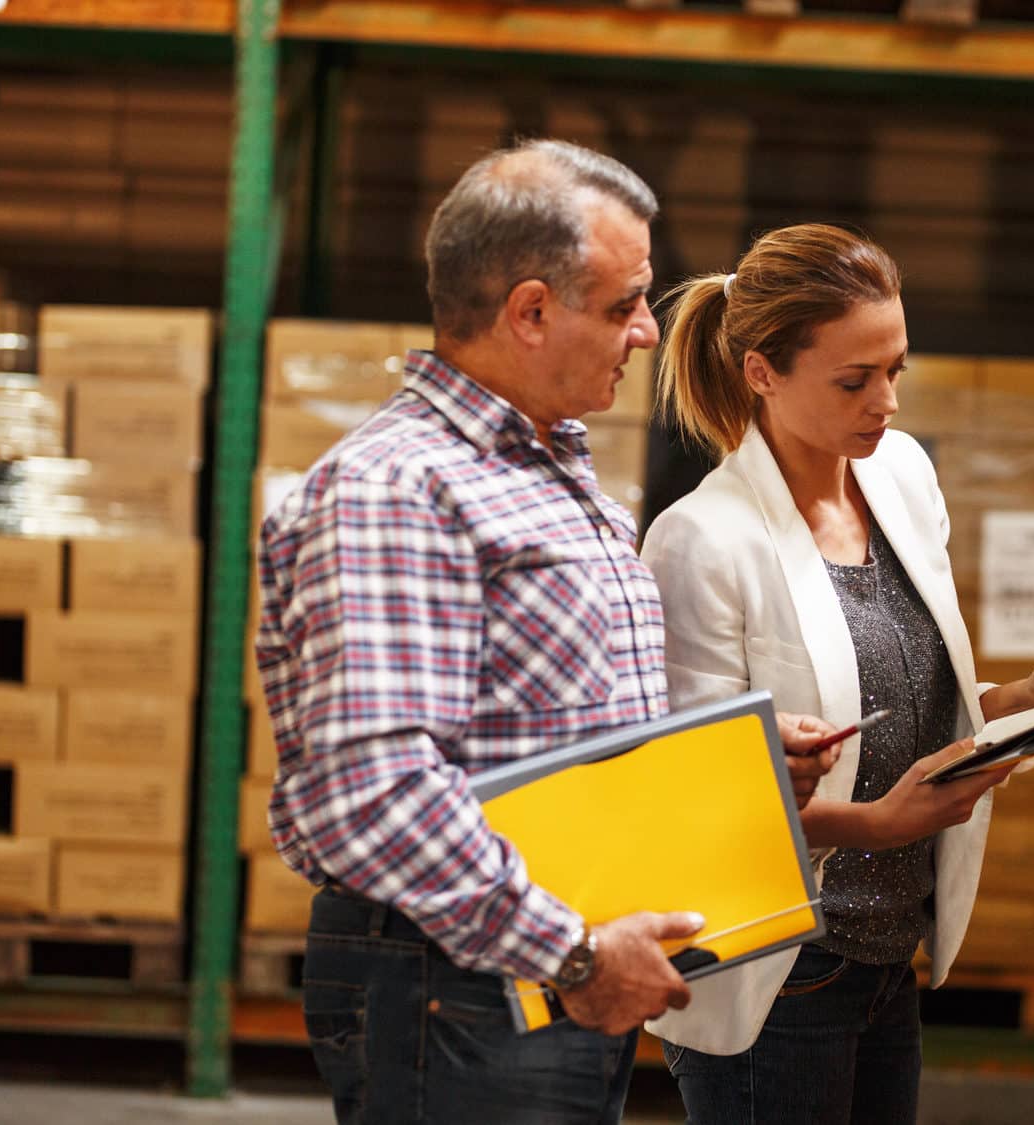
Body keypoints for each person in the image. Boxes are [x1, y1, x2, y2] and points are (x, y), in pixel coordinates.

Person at [255, 141, 840, 1125]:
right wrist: (569, 953)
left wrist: (720, 770)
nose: (648, 335)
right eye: (623, 306)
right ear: (529, 312)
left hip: (533, 965)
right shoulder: (397, 491)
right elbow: (374, 790)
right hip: (466, 976)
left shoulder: (551, 476)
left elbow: (555, 732)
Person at [639, 223, 1034, 1124]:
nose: (887, 401)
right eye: (855, 380)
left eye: (896, 368)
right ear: (762, 372)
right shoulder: (701, 541)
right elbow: (693, 790)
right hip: (783, 970)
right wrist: (875, 821)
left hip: (889, 959)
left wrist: (1026, 700)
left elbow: (901, 700)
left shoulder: (899, 476)